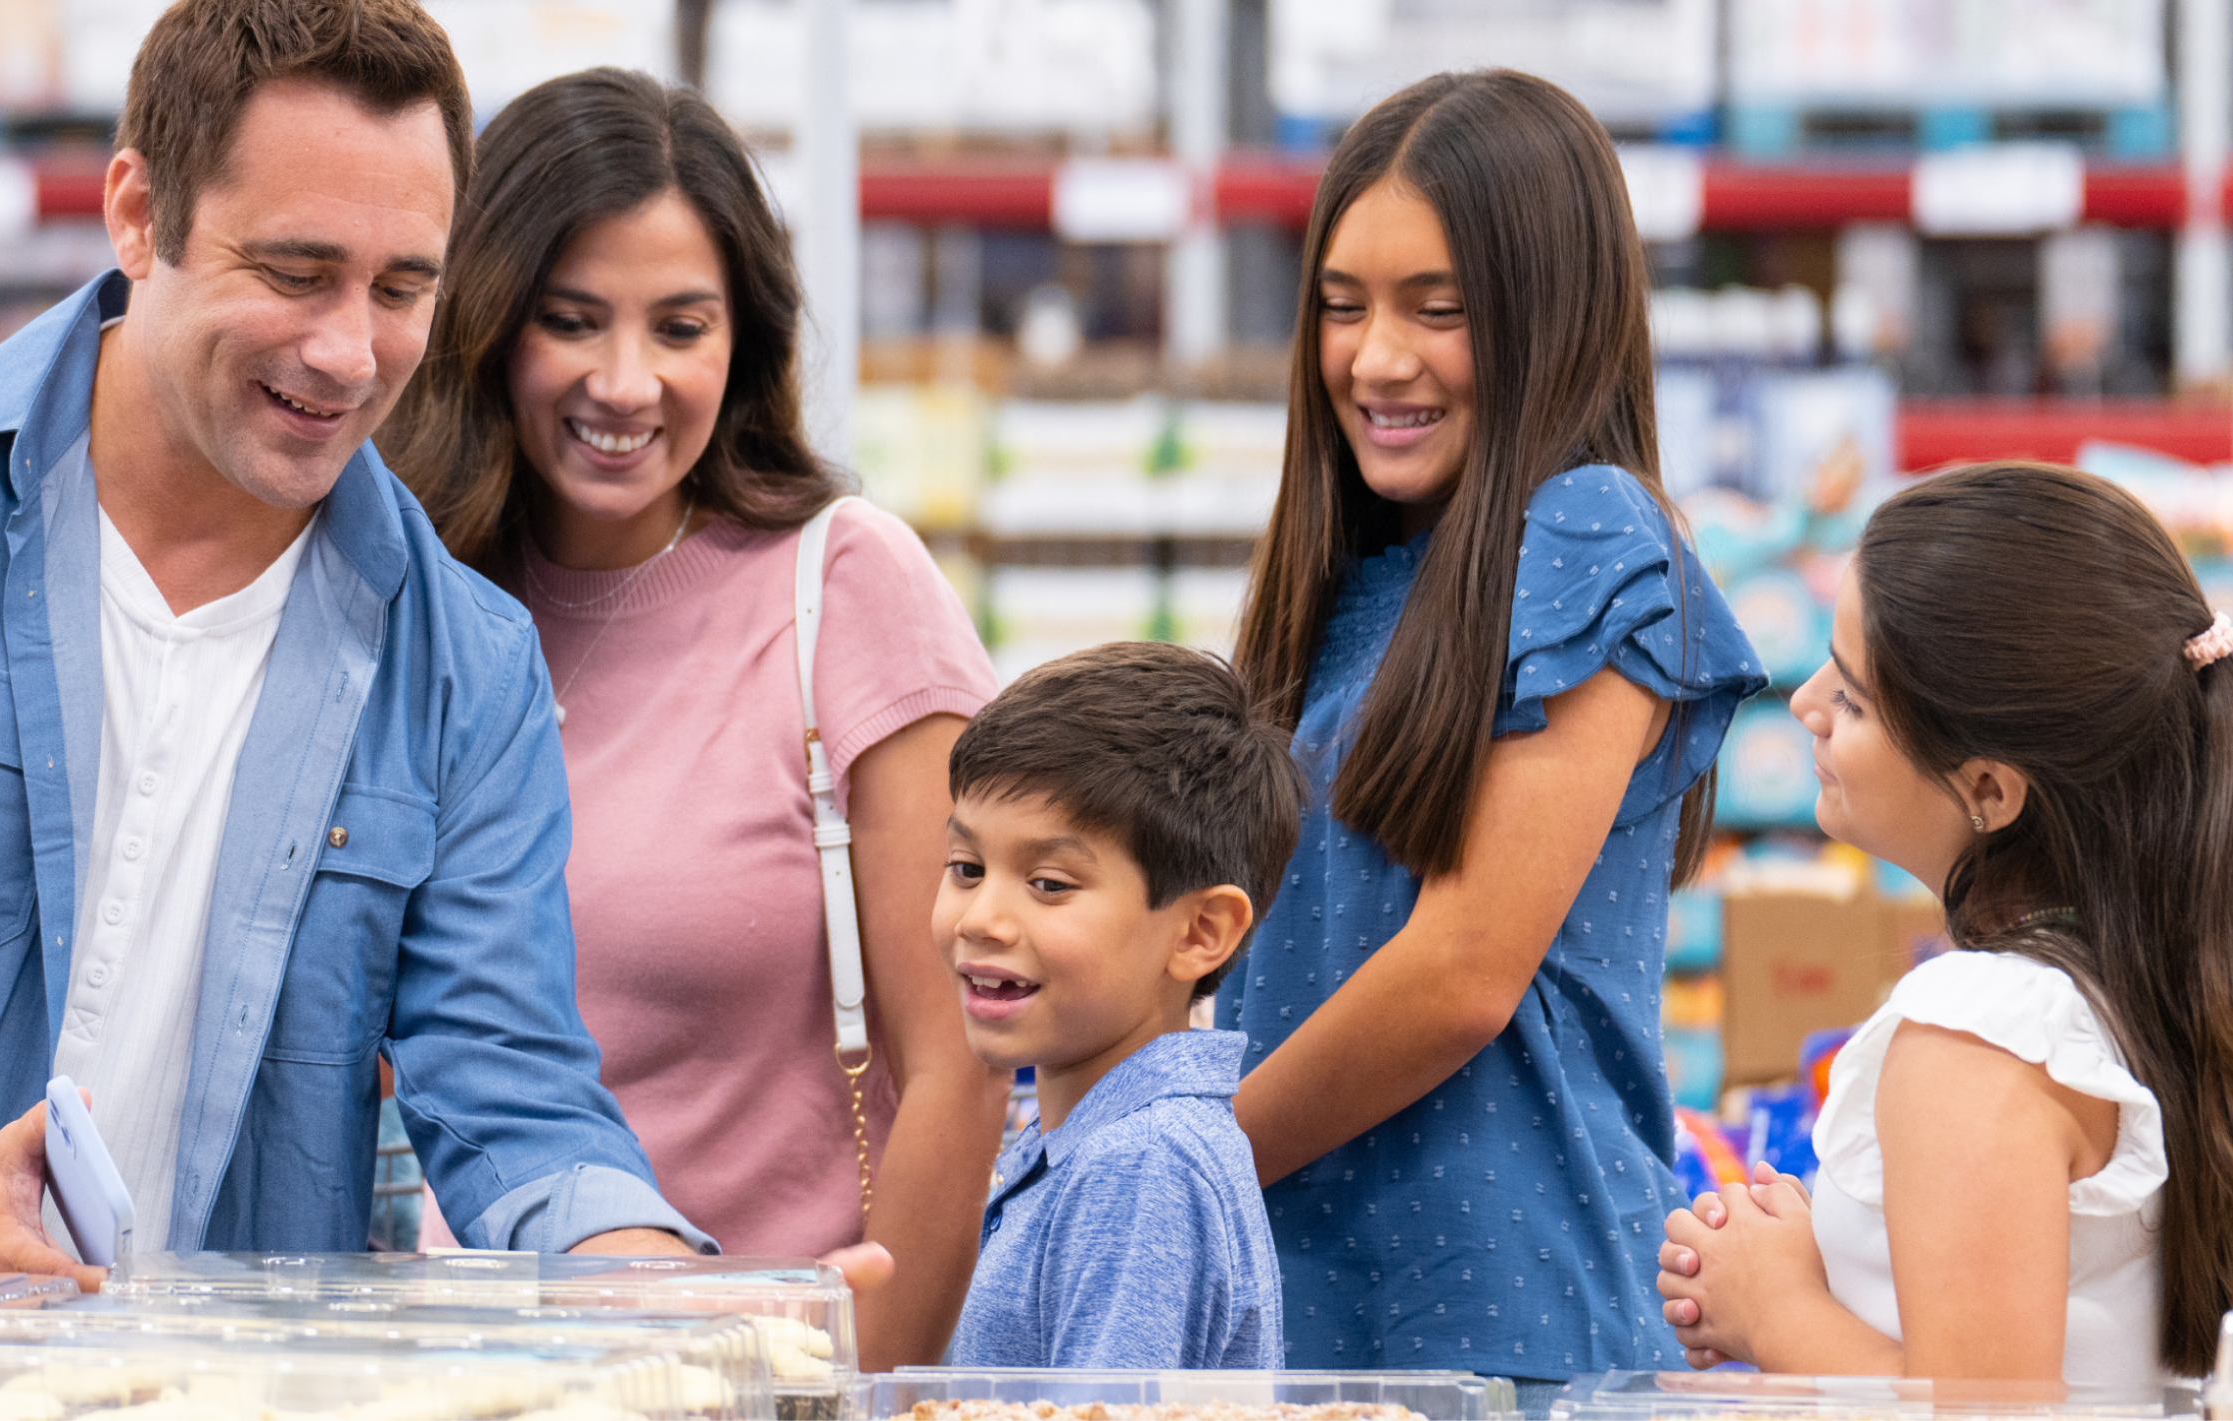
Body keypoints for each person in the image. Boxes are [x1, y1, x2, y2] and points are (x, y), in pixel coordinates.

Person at [0, 0, 707, 1275]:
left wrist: (663, 1285)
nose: (349, 351)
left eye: (403, 288)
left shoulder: (465, 668)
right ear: (138, 213)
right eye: (294, 272)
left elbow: (509, 1085)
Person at [379, 68, 1001, 1362]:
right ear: (487, 323)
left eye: (679, 327)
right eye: (573, 320)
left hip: (770, 1368)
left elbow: (959, 1066)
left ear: (746, 339)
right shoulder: (413, 612)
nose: (626, 382)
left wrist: (857, 1378)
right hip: (470, 1369)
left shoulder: (843, 589)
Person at [1216, 68, 1766, 1393]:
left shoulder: (1591, 534)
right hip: (1301, 1294)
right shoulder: (1353, 570)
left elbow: (1463, 972)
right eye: (1341, 307)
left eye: (1439, 311)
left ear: (1550, 317)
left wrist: (1180, 1165)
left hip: (1499, 1323)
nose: (1376, 358)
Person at [1654, 462, 2233, 1399]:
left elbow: (1985, 1410)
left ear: (1990, 789)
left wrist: (1777, 1308)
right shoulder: (2130, 974)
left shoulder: (1979, 1031)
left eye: (1851, 696)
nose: (1803, 704)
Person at [936, 642, 1304, 1369]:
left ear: (1201, 931)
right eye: (967, 868)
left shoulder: (1139, 1167)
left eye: (1049, 882)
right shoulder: (1094, 1143)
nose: (981, 917)